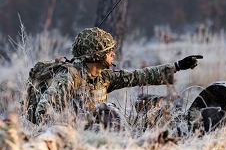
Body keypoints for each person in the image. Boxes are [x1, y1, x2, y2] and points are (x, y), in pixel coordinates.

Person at [28, 27, 202, 126]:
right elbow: (42, 111)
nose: (113, 54)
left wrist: (178, 66)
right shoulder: (69, 76)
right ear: (95, 56)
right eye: (108, 51)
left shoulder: (104, 76)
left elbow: (139, 76)